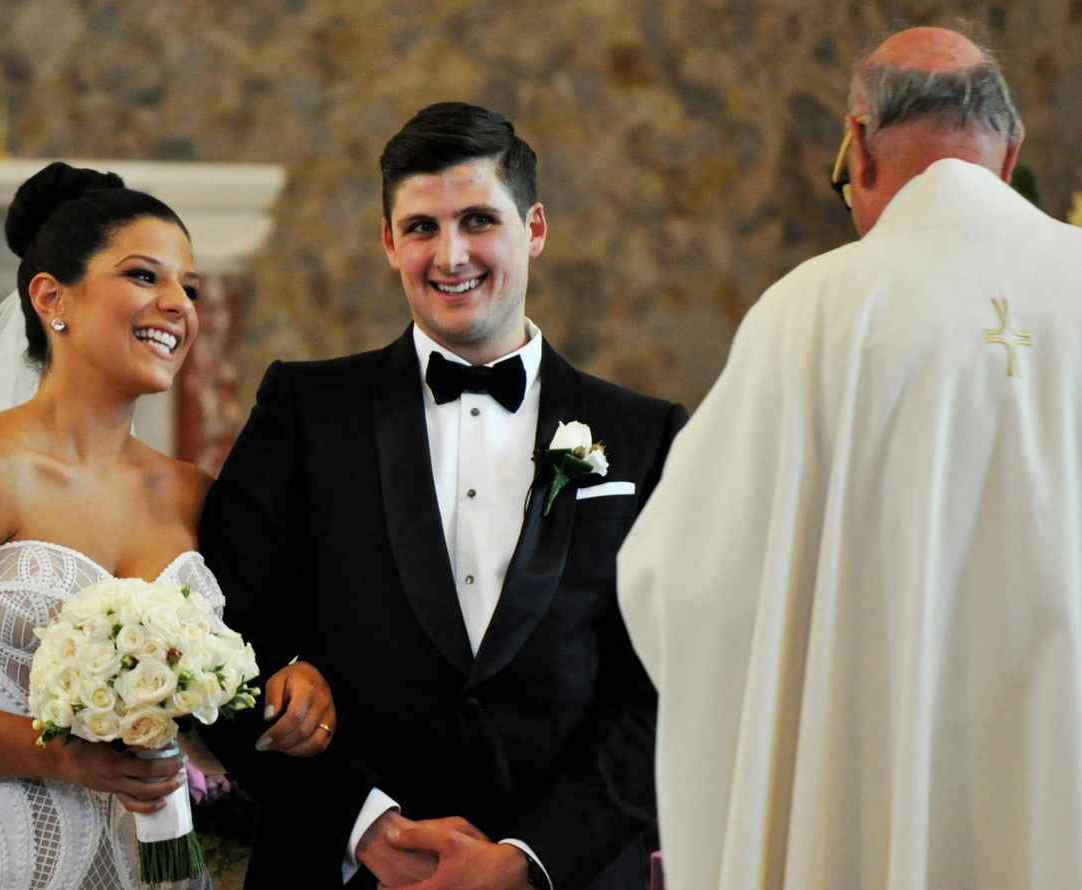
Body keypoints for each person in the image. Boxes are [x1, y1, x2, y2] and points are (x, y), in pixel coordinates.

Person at [618, 26, 1082, 890]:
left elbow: (680, 582)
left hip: (865, 806)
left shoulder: (812, 314)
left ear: (858, 146)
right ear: (1010, 152)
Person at [199, 102, 688, 890]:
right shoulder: (304, 412)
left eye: (477, 220)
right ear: (390, 242)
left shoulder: (647, 435)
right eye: (422, 227)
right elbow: (210, 640)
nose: (450, 253)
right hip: (345, 869)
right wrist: (363, 823)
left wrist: (530, 861)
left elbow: (668, 684)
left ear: (533, 228)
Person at [0, 162, 334, 889]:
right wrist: (59, 754)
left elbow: (252, 662)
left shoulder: (193, 494)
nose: (177, 304)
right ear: (51, 297)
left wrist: (296, 675)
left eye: (188, 286)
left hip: (137, 863)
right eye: (143, 276)